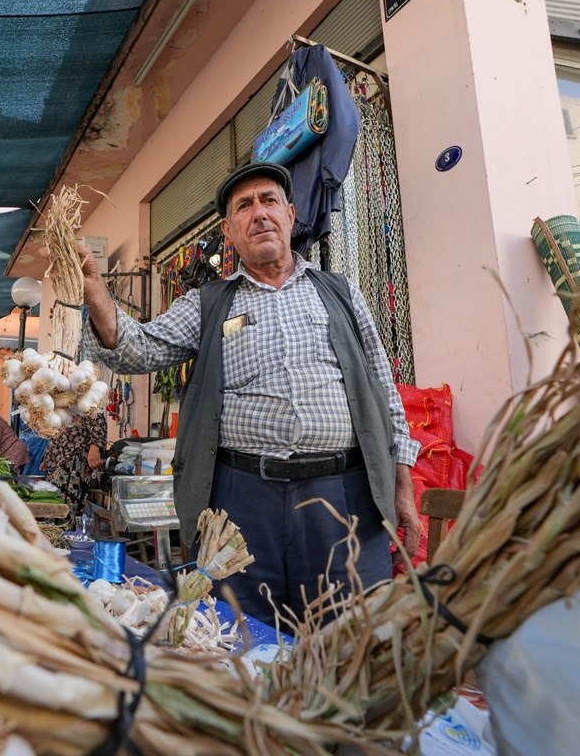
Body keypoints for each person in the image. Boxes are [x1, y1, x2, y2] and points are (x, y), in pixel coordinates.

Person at [79, 161, 421, 628]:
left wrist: (402, 484)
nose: (259, 213)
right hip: (242, 502)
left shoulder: (340, 292)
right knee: (241, 632)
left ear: (290, 214)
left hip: (344, 495)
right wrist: (96, 292)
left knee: (353, 636)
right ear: (228, 230)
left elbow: (384, 385)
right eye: (244, 206)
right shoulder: (209, 303)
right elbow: (138, 348)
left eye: (268, 201)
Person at [40, 409, 108, 496]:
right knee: (53, 500)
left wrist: (95, 448)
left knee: (66, 501)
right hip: (56, 466)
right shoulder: (60, 408)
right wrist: (48, 458)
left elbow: (98, 425)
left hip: (73, 464)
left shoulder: (87, 405)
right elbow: (57, 436)